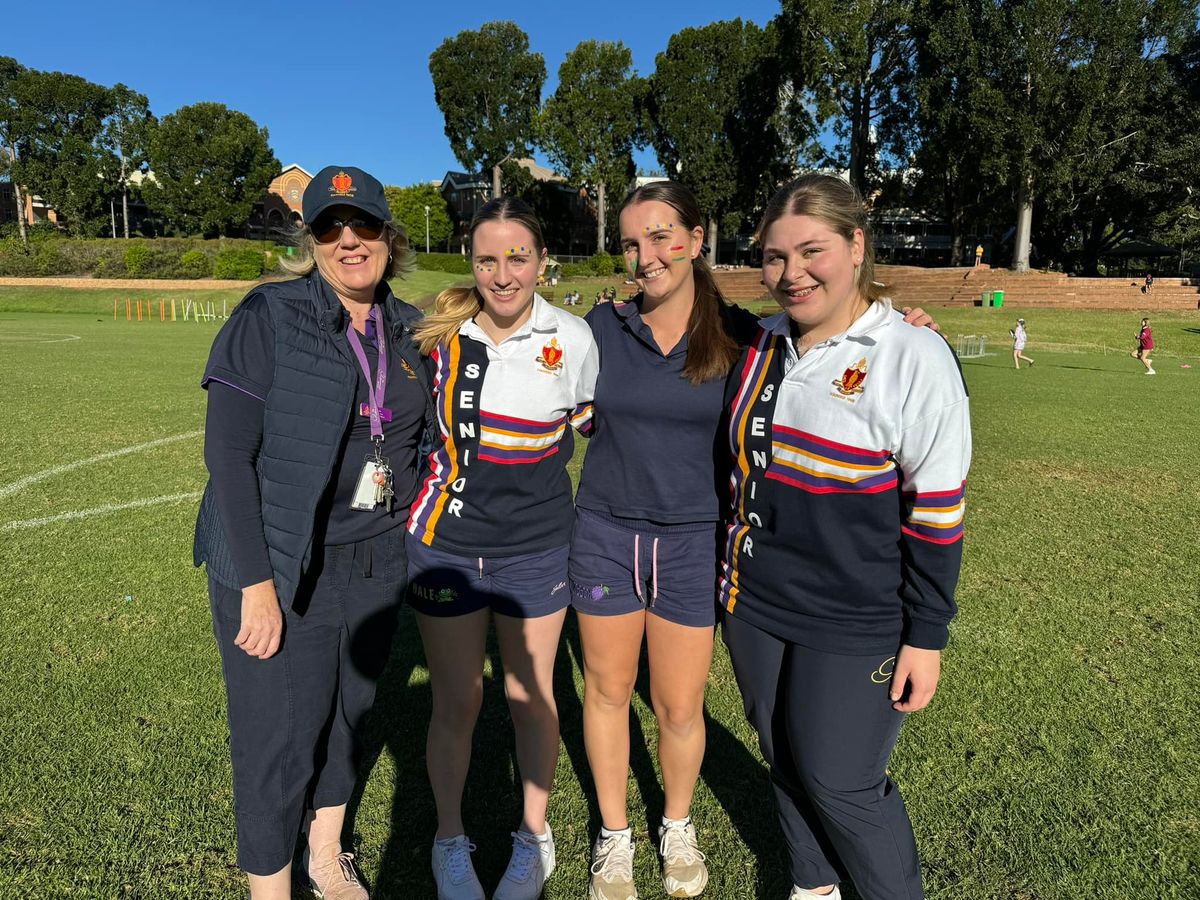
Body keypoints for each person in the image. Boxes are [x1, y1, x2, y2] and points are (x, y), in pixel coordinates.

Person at [570, 181, 939, 900]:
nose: (647, 256)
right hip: (607, 534)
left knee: (679, 707)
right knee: (608, 693)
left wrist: (908, 328)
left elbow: (849, 341)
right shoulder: (599, 329)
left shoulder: (746, 335)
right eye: (632, 243)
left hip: (696, 543)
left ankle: (677, 826)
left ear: (696, 240)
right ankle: (614, 836)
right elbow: (546, 378)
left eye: (662, 236)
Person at [720, 174, 971, 900]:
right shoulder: (758, 342)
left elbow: (937, 510)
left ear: (857, 246)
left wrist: (927, 635)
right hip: (755, 601)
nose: (791, 273)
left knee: (841, 779)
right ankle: (813, 887)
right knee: (783, 756)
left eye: (812, 251)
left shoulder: (913, 354)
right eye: (774, 256)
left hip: (858, 614)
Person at [194, 166, 436, 900]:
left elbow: (426, 443)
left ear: (390, 237)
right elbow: (228, 456)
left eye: (363, 225)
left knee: (349, 712)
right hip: (279, 561)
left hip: (375, 556)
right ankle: (270, 889)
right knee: (276, 736)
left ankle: (326, 852)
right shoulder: (270, 315)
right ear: (312, 239)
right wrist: (258, 586)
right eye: (330, 226)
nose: (348, 240)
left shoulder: (412, 328)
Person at [406, 197, 599, 900]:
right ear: (472, 263)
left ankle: (532, 836)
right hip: (446, 545)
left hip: (537, 550)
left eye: (518, 257)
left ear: (542, 261)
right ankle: (449, 839)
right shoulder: (438, 335)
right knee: (456, 701)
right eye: (487, 259)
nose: (503, 273)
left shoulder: (572, 337)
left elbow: (607, 423)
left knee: (529, 698)